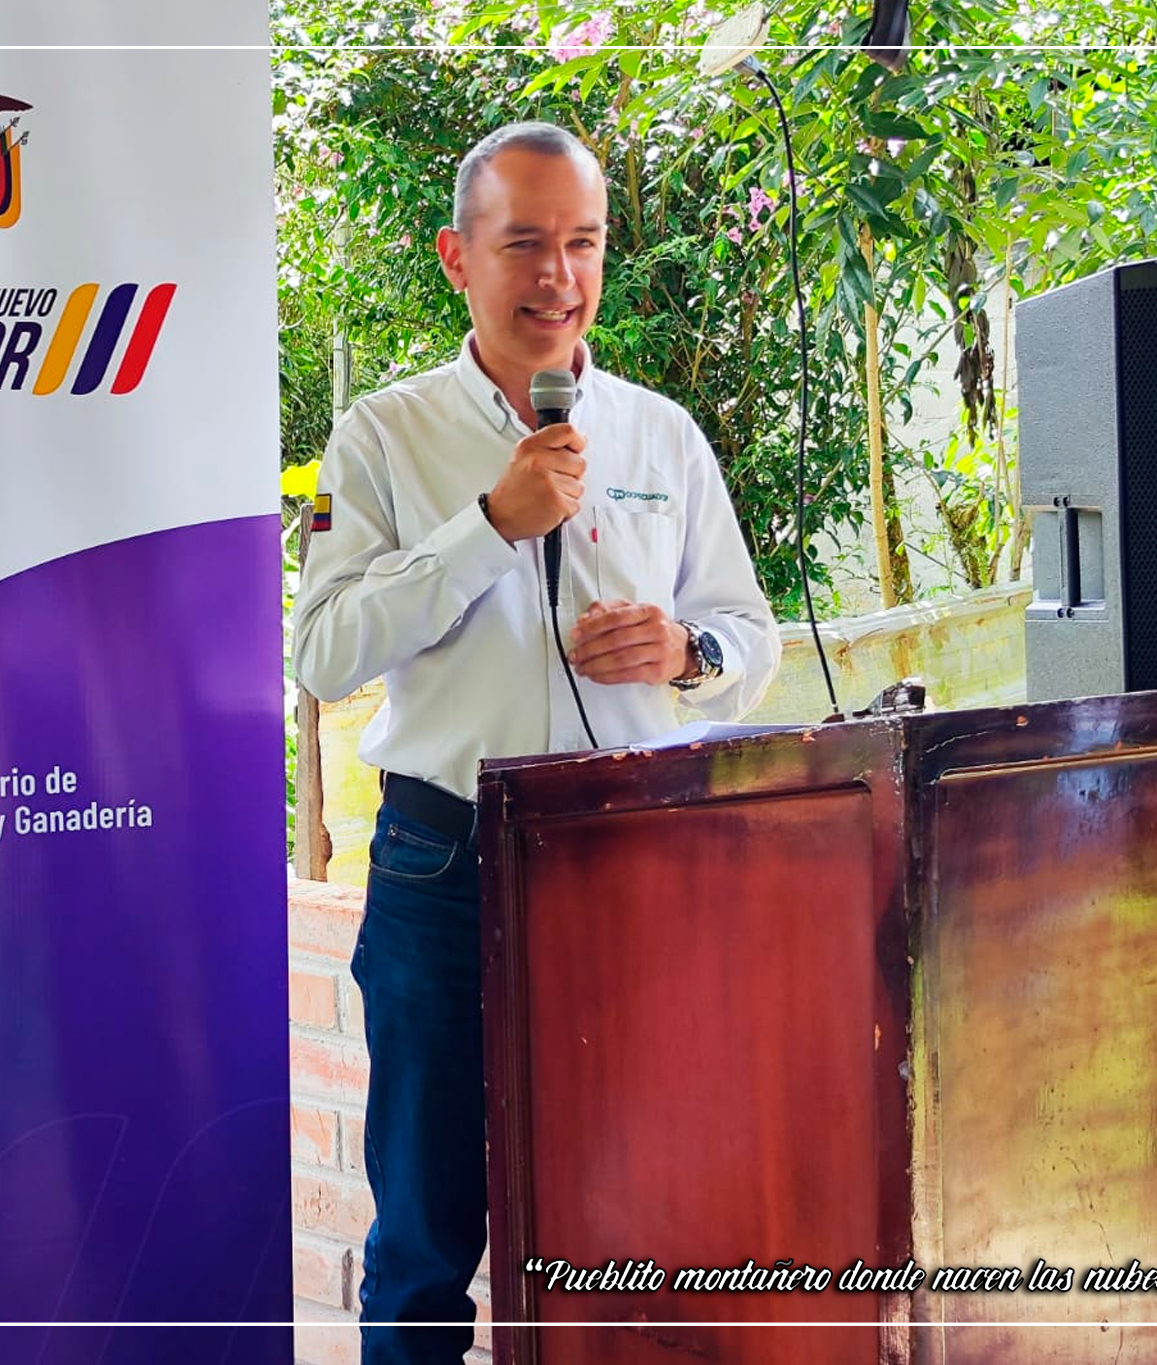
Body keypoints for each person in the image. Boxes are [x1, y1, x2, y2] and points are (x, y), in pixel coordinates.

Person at [291, 123, 781, 1364]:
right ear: (456, 257)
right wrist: (488, 526)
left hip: (633, 857)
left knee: (634, 1214)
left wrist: (684, 652)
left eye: (582, 243)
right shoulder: (384, 435)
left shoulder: (660, 434)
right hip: (443, 863)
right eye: (523, 244)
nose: (557, 276)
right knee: (422, 1244)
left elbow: (749, 637)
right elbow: (323, 653)